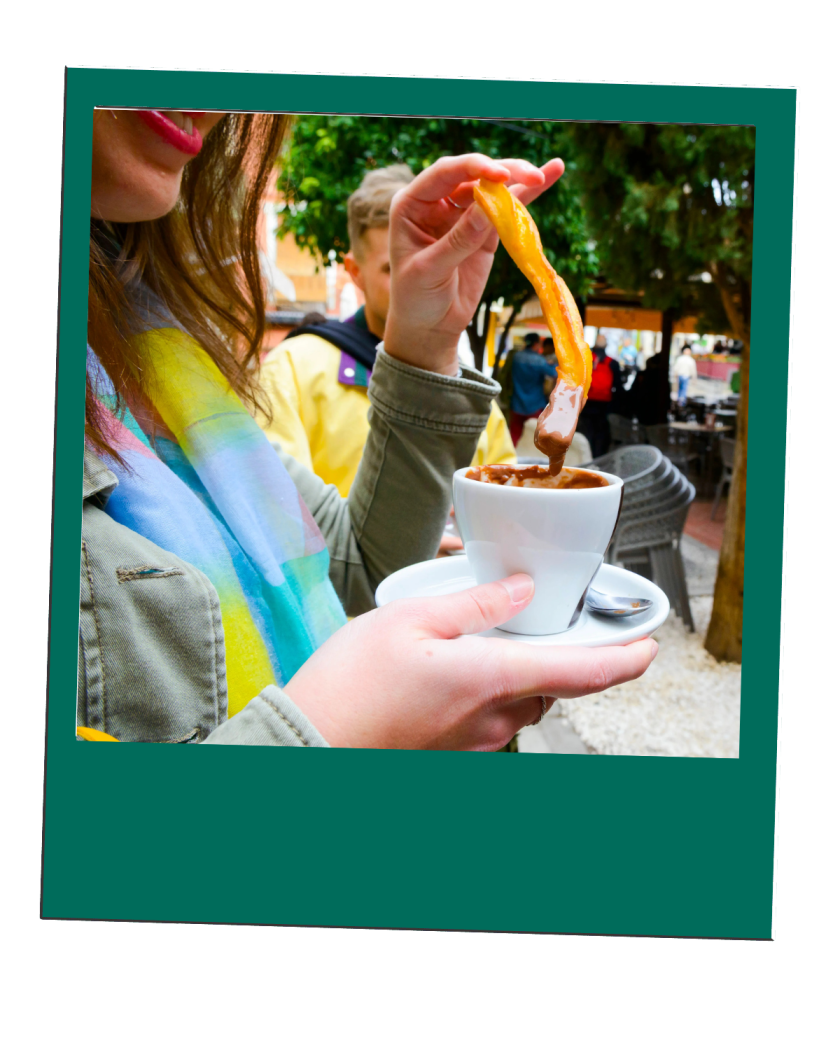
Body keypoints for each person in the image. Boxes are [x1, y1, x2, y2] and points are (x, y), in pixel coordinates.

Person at [79, 108, 656, 748]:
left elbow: (362, 569)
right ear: (352, 269)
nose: (212, 103)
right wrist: (337, 731)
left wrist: (426, 344)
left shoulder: (180, 364)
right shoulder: (287, 365)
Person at [258, 164, 516, 497]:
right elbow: (277, 511)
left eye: (428, 260)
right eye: (393, 268)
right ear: (354, 271)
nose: (417, 279)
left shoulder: (469, 392)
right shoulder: (289, 371)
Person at [507, 332, 558, 447]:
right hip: (535, 404)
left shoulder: (516, 356)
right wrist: (553, 363)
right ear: (536, 344)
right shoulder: (539, 360)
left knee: (514, 434)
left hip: (516, 403)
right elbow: (554, 373)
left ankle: (512, 460)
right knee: (533, 436)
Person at [577, 335, 623, 458]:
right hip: (604, 404)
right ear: (606, 346)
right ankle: (599, 457)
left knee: (586, 431)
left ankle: (586, 456)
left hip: (587, 402)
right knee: (601, 432)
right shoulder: (612, 363)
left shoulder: (584, 360)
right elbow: (618, 387)